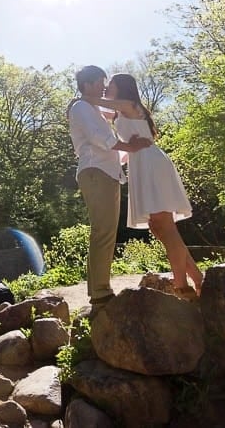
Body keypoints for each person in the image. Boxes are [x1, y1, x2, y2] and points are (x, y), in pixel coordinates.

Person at [104, 72, 203, 298]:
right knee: (158, 227)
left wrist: (84, 99)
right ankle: (197, 277)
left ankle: (183, 286)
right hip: (142, 166)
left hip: (151, 164)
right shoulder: (121, 111)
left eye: (110, 85)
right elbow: (101, 111)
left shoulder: (130, 104)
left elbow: (98, 104)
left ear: (122, 87)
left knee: (165, 226)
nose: (106, 89)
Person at [67, 65, 152, 306]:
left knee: (105, 232)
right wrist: (129, 147)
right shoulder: (81, 106)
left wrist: (131, 152)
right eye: (100, 83)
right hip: (96, 172)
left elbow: (108, 144)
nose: (104, 87)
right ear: (87, 84)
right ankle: (100, 293)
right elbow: (99, 138)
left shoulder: (93, 108)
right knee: (103, 231)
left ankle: (98, 289)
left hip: (106, 172)